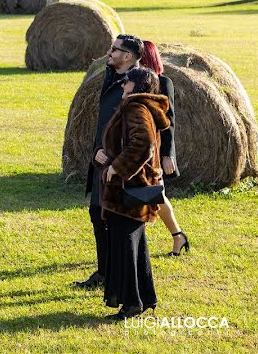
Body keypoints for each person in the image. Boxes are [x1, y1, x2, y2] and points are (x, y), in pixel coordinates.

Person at [99, 67, 169, 320]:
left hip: (129, 189)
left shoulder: (135, 108)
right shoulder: (141, 106)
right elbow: (128, 143)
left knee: (125, 245)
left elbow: (143, 144)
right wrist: (106, 158)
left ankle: (131, 303)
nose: (122, 85)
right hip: (135, 187)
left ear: (138, 86)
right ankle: (145, 297)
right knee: (136, 245)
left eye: (126, 82)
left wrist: (117, 168)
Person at [75, 34, 143, 290]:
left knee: (117, 223)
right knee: (97, 215)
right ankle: (104, 273)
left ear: (127, 56)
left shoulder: (139, 82)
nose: (109, 52)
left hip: (120, 167)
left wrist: (115, 159)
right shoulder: (110, 77)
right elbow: (103, 123)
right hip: (101, 162)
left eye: (114, 49)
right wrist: (96, 150)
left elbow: (140, 131)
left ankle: (118, 277)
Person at [140, 41, 190, 256]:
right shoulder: (132, 81)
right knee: (151, 193)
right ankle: (178, 236)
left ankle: (178, 235)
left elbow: (168, 120)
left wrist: (168, 154)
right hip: (138, 143)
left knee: (154, 193)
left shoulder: (163, 82)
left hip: (156, 146)